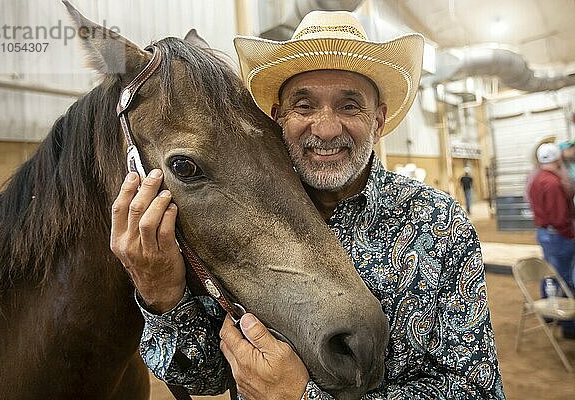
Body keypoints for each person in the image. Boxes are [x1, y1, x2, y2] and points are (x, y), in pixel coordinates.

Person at [110, 11, 505, 399]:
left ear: (379, 120)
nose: (326, 127)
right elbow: (206, 377)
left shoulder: (440, 223)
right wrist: (161, 294)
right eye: (304, 105)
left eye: (350, 105)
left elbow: (477, 391)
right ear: (278, 117)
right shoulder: (244, 212)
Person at [527, 142, 575, 339]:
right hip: (558, 234)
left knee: (550, 272)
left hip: (545, 232)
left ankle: (548, 313)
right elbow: (559, 216)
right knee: (565, 278)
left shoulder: (536, 179)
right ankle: (569, 325)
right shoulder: (553, 183)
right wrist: (570, 234)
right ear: (557, 159)